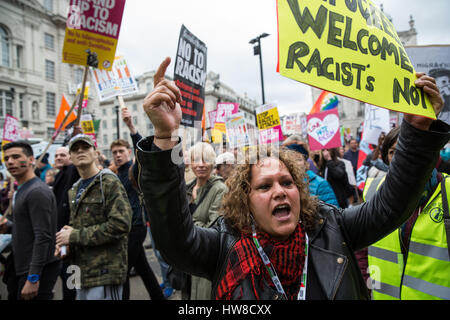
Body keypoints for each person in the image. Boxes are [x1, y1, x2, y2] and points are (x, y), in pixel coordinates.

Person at [136, 57, 448, 300]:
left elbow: (391, 206)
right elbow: (174, 240)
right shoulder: (223, 245)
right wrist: (164, 138)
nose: (279, 191)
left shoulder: (332, 230)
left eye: (287, 183)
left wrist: (417, 133)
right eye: (264, 186)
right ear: (245, 199)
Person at [364, 125, 450, 300]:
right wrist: (365, 284)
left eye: (411, 151)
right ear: (385, 158)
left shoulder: (448, 192)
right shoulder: (373, 190)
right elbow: (361, 248)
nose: (401, 158)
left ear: (431, 155)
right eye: (393, 152)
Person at [55, 134, 132, 300]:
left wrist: (74, 235)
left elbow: (120, 225)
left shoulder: (108, 182)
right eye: (75, 149)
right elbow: (78, 226)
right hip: (81, 273)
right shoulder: (74, 190)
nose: (80, 151)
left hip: (105, 272)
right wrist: (66, 243)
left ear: (96, 153)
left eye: (85, 147)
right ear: (70, 157)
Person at [121, 106, 175, 299]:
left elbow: (147, 153)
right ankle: (165, 283)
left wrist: (132, 128)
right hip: (148, 219)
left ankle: (171, 281)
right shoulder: (133, 173)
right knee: (154, 258)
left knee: (165, 255)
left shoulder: (164, 167)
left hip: (162, 219)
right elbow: (141, 155)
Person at [1, 141, 59, 300]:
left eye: (16, 156)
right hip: (21, 268)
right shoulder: (21, 190)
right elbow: (28, 228)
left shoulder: (37, 192)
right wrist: (8, 227)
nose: (10, 162)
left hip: (35, 272)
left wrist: (33, 278)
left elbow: (43, 236)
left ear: (31, 159)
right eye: (7, 158)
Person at [110, 138, 165, 301]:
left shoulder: (133, 170)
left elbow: (142, 153)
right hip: (126, 227)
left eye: (121, 151)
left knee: (123, 271)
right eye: (115, 152)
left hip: (136, 226)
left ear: (129, 152)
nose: (118, 155)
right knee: (143, 268)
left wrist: (132, 129)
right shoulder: (117, 173)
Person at [183, 141, 228, 300]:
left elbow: (213, 226)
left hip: (207, 257)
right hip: (188, 257)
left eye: (206, 160)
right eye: (196, 160)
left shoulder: (220, 189)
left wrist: (185, 226)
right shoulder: (186, 188)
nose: (201, 165)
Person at [52, 146, 80, 300]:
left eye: (62, 155)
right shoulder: (59, 175)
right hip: (60, 234)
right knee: (66, 272)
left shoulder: (71, 171)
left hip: (69, 233)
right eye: (56, 155)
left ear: (70, 157)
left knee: (70, 273)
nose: (58, 157)